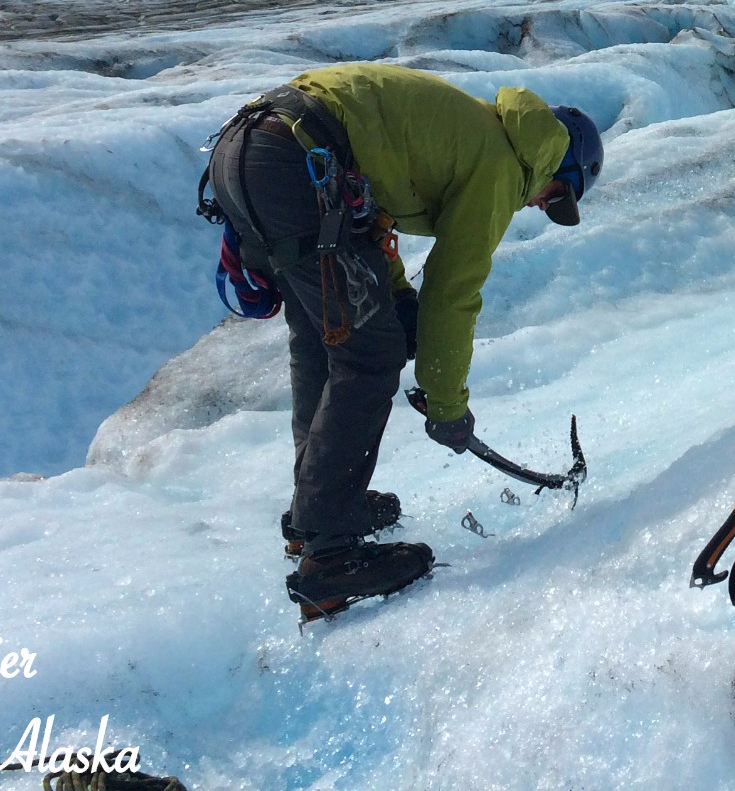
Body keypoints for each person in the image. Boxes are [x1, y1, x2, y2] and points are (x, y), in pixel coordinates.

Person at [201, 62, 604, 618]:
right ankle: (331, 555)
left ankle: (317, 507)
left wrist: (396, 301)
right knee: (369, 356)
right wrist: (446, 406)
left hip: (250, 149)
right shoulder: (501, 164)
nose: (540, 206)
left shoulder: (465, 131)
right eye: (556, 195)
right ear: (555, 164)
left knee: (323, 340)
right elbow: (453, 293)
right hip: (296, 160)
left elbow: (370, 226)